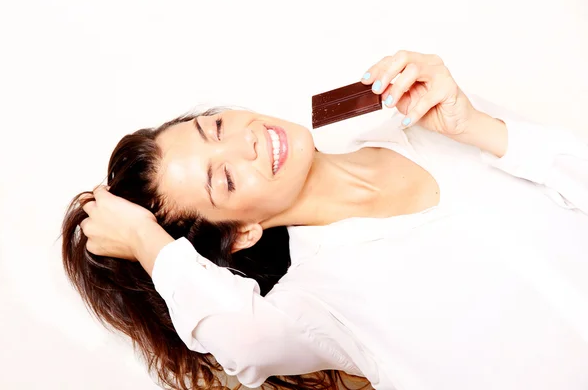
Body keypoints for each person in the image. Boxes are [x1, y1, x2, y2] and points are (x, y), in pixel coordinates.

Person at [62, 51, 588, 390]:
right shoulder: (319, 297)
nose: (244, 142)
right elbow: (238, 339)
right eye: (223, 181)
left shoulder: (420, 125)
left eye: (215, 126)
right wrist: (144, 239)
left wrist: (473, 125)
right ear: (243, 233)